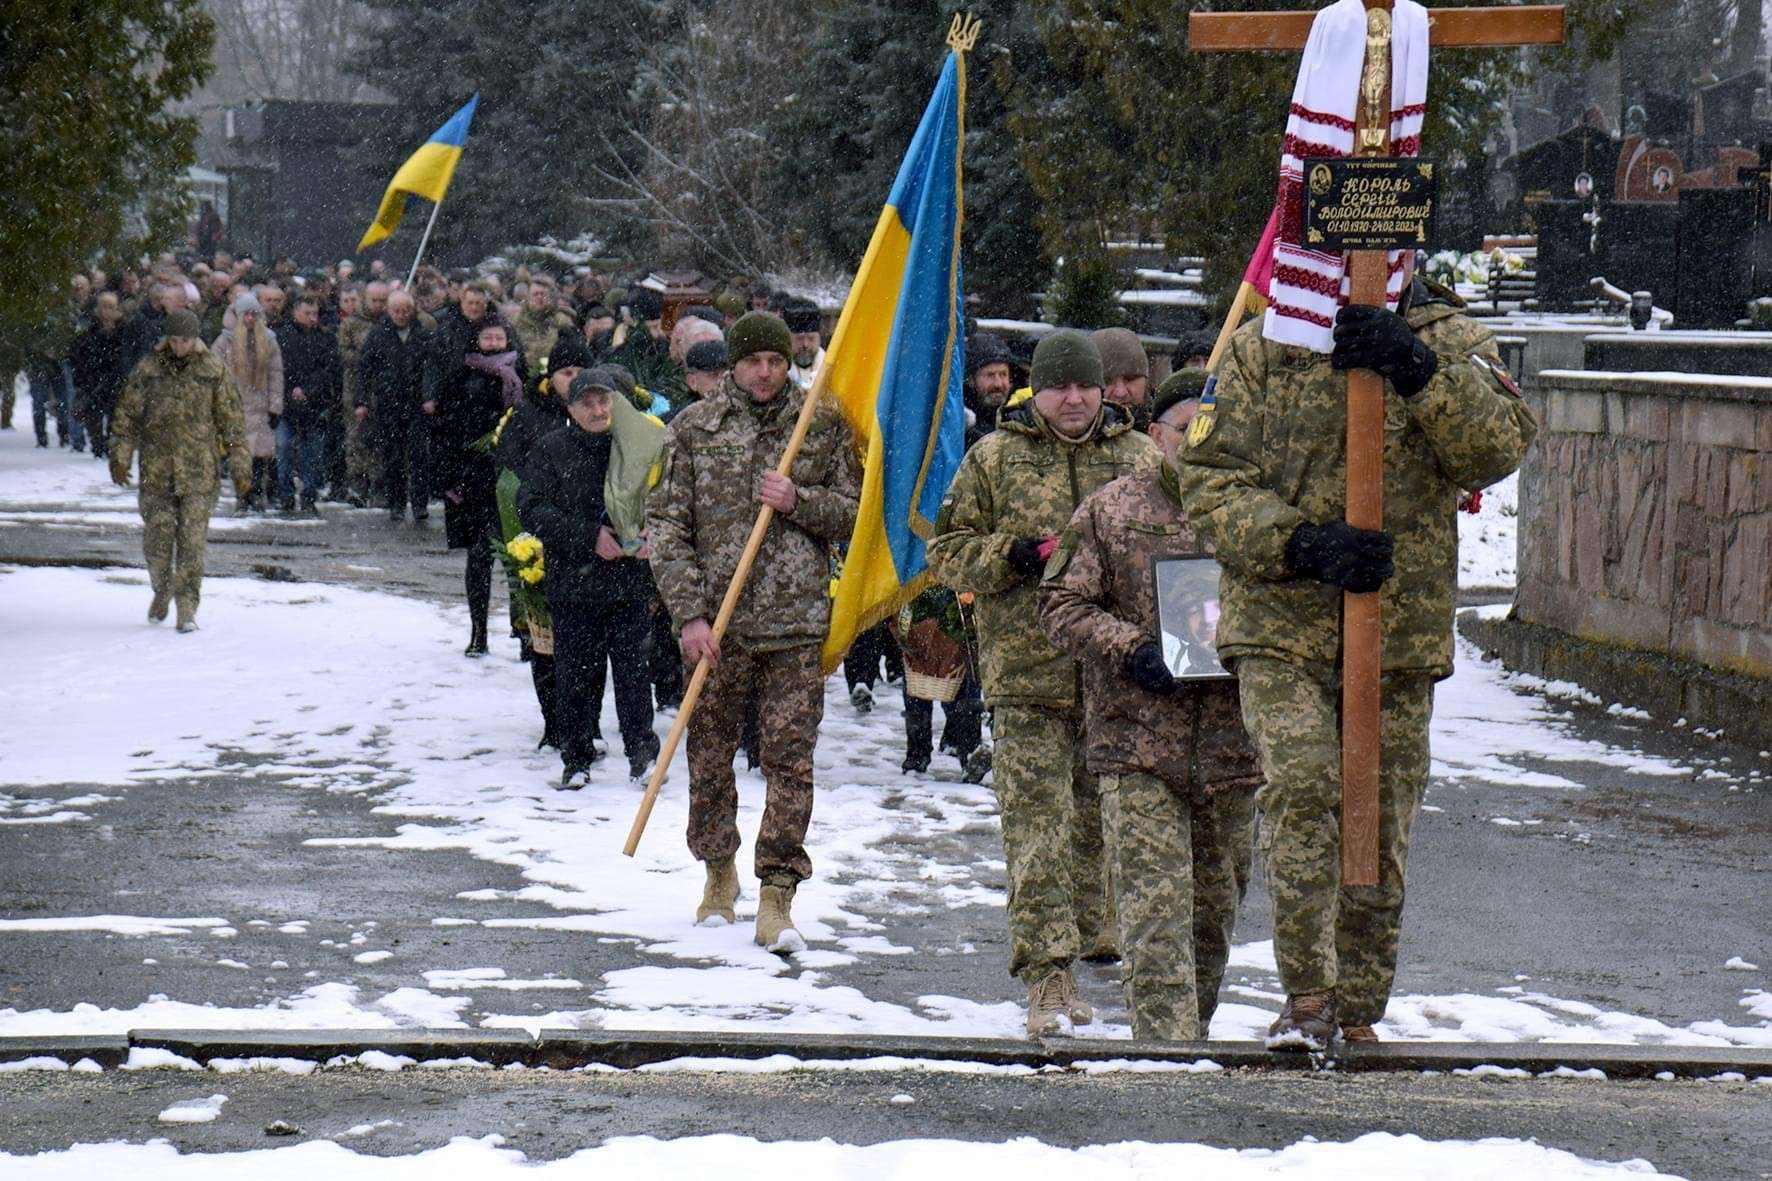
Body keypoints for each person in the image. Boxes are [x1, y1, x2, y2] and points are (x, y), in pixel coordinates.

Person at [1177, 278, 1538, 1049]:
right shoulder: (1263, 344)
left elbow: (1499, 447)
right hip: (1282, 621)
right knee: (1305, 783)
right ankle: (1307, 996)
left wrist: (1418, 370)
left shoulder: (1449, 338)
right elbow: (1207, 481)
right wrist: (1300, 543)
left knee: (1378, 816)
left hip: (1396, 630)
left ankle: (1361, 1007)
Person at [927, 329, 1161, 1039]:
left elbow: (1179, 543)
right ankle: (1046, 973)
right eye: (1060, 385)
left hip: (1116, 676)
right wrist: (1013, 556)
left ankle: (1090, 943)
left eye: (1086, 385)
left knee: (1098, 832)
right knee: (1036, 830)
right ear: (1038, 389)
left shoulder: (1139, 459)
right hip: (1026, 675)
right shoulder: (995, 458)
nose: (1075, 398)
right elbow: (946, 553)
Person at [1039, 370, 1263, 1042]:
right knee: (1154, 903)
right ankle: (1164, 1050)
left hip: (1232, 742)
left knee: (1213, 908)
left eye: (1215, 424)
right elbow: (1058, 604)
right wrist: (1131, 647)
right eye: (1186, 425)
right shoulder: (1110, 511)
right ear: (1155, 432)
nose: (1200, 439)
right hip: (1138, 739)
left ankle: (1189, 1032)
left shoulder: (1253, 510)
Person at [647, 312, 860, 951]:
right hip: (720, 626)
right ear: (731, 367)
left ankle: (778, 889)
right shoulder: (694, 428)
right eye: (751, 362)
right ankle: (718, 872)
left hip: (795, 624)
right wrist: (688, 614)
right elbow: (665, 526)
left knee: (790, 761)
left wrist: (801, 501)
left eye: (774, 360)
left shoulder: (819, 423)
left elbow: (855, 514)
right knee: (709, 753)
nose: (764, 372)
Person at [519, 366, 664, 786]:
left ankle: (642, 755)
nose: (598, 410)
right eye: (588, 403)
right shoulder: (552, 449)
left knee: (635, 673)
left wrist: (653, 530)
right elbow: (532, 507)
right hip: (575, 582)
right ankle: (577, 757)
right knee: (576, 675)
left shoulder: (633, 445)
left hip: (628, 580)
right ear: (571, 408)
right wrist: (587, 536)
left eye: (605, 401)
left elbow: (661, 495)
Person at [108, 309, 251, 632]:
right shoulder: (149, 369)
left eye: (185, 340)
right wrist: (120, 455)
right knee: (157, 540)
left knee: (191, 543)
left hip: (199, 472)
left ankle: (187, 608)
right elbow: (126, 416)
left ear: (195, 339)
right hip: (157, 470)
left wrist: (241, 466)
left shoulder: (212, 370)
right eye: (173, 340)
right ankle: (162, 588)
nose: (179, 346)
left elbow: (232, 422)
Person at [434, 318, 525, 656]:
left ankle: (526, 633)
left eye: (498, 336)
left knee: (521, 558)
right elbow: (444, 428)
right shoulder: (460, 375)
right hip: (471, 477)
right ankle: (479, 631)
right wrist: (448, 475)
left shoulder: (520, 374)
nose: (492, 342)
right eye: (486, 337)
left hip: (509, 479)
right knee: (479, 557)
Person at [360, 290, 432, 524]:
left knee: (419, 456)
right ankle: (397, 504)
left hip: (417, 405)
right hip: (388, 405)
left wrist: (430, 396)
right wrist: (360, 401)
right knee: (393, 457)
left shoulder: (423, 334)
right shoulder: (378, 335)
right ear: (389, 311)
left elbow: (432, 369)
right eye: (396, 310)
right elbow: (364, 370)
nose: (401, 315)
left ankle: (420, 503)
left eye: (405, 310)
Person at [210, 292, 284, 512]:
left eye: (254, 314)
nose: (250, 319)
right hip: (236, 407)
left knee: (260, 457)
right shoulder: (225, 341)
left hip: (260, 409)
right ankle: (243, 496)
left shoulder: (269, 341)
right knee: (239, 456)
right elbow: (215, 373)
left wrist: (275, 407)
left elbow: (276, 375)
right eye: (246, 314)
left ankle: (256, 494)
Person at [274, 294, 340, 515]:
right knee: (283, 451)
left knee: (311, 455)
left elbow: (327, 372)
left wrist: (308, 391)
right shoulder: (282, 337)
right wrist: (291, 389)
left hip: (313, 406)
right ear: (295, 312)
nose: (312, 318)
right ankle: (285, 496)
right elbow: (277, 370)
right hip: (286, 406)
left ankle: (309, 498)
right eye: (307, 313)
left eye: (315, 314)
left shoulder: (325, 339)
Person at [69, 292, 132, 461]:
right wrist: (82, 378)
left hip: (116, 380)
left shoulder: (124, 329)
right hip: (93, 379)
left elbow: (127, 354)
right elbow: (79, 353)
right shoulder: (90, 328)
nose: (106, 311)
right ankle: (98, 447)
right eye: (103, 307)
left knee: (115, 417)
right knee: (93, 418)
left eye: (110, 307)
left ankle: (111, 448)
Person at [337, 285, 380, 507]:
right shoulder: (351, 324)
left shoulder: (387, 324)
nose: (378, 305)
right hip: (355, 390)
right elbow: (343, 354)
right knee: (356, 438)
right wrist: (367, 355)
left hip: (381, 391)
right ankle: (357, 483)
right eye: (374, 300)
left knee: (380, 440)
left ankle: (378, 484)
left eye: (382, 300)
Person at [514, 275, 575, 375]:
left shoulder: (563, 322)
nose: (539, 297)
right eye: (535, 294)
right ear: (527, 297)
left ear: (551, 297)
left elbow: (573, 350)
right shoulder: (516, 323)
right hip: (525, 374)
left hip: (556, 374)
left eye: (543, 294)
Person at [964, 332, 1015, 449]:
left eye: (1003, 374)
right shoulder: (962, 423)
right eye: (990, 375)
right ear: (971, 380)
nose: (998, 384)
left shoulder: (1021, 415)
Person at [1092, 328, 1151, 429]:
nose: (1121, 393)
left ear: (1146, 380)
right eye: (1107, 381)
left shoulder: (1166, 432)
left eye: (1130, 379)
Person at [783, 300, 825, 388]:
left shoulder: (828, 368)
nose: (805, 345)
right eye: (799, 339)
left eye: (811, 338)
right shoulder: (780, 369)